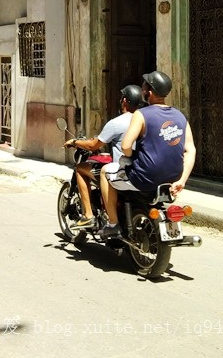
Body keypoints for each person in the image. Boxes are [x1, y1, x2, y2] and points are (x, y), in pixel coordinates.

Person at [99, 70, 196, 237]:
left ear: (148, 93)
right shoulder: (180, 116)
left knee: (105, 172)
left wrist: (131, 155)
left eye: (144, 88)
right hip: (172, 178)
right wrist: (182, 180)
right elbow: (190, 149)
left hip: (145, 177)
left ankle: (113, 223)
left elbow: (126, 145)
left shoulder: (141, 114)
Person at [64, 85, 144, 228]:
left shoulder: (116, 123)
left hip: (122, 170)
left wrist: (75, 142)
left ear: (124, 100)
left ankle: (88, 215)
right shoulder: (145, 121)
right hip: (141, 168)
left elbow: (93, 145)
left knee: (81, 169)